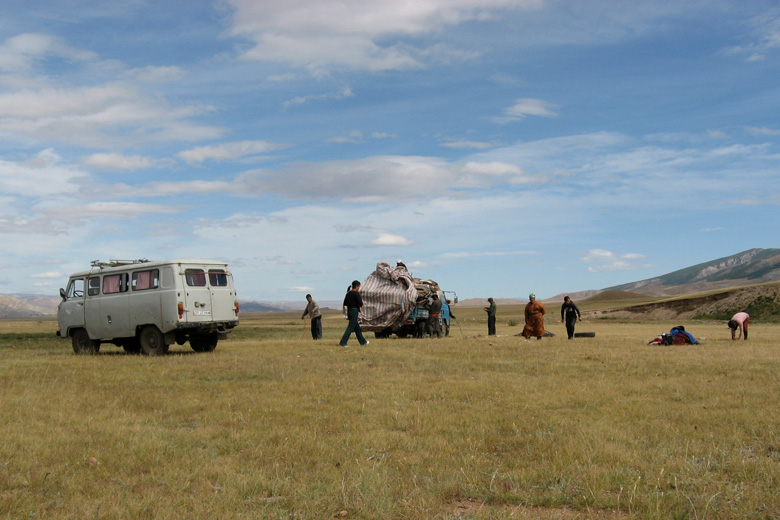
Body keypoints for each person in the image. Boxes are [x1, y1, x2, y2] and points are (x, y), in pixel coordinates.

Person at [339, 280, 369, 347]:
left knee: (357, 328)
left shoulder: (348, 293)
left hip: (349, 311)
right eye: (359, 287)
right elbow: (360, 303)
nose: (359, 288)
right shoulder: (356, 293)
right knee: (350, 327)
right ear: (356, 286)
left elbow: (345, 303)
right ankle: (343, 342)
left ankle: (363, 342)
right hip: (354, 311)